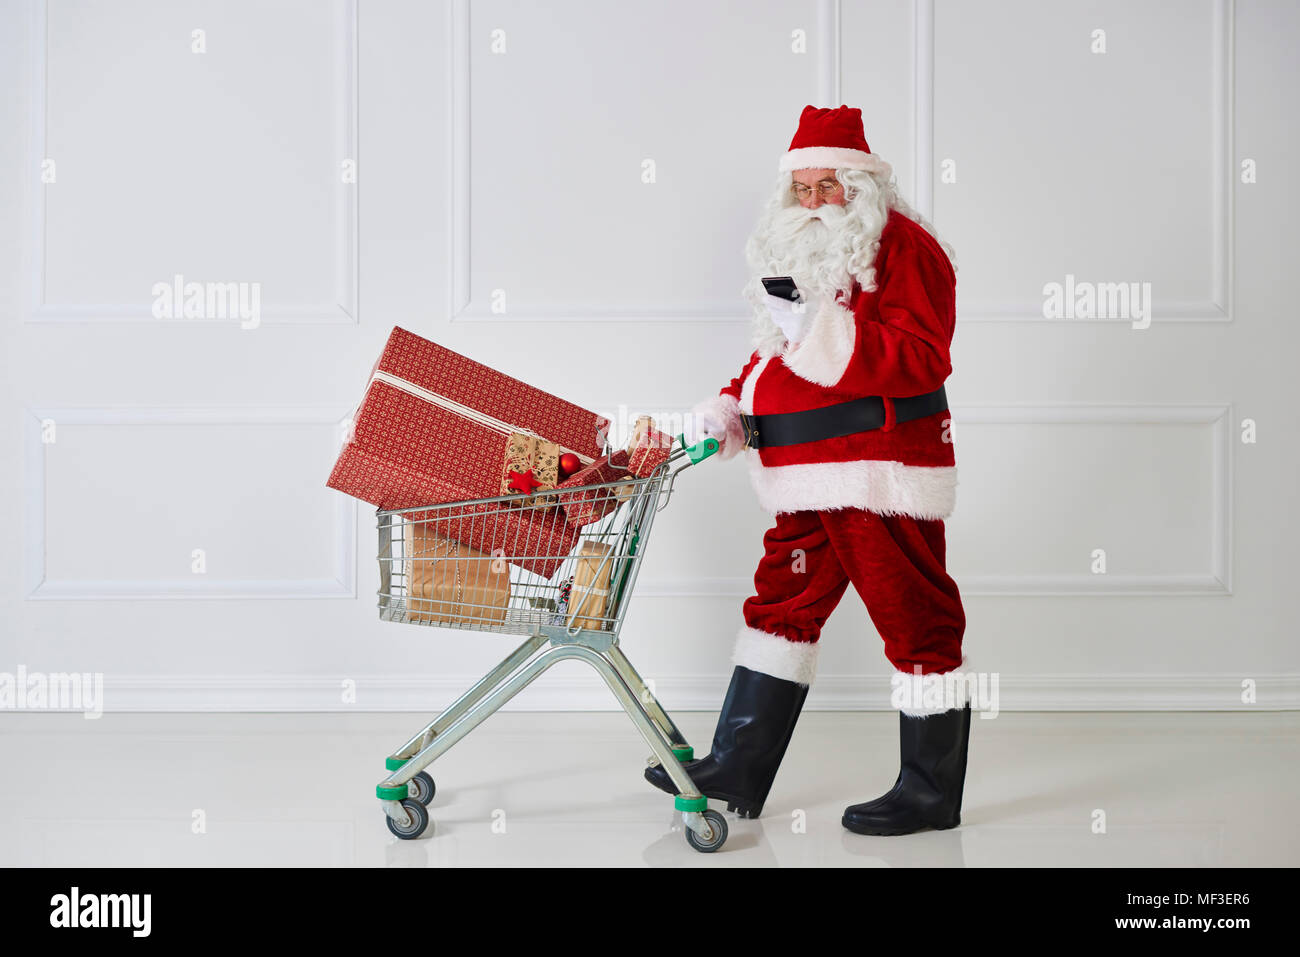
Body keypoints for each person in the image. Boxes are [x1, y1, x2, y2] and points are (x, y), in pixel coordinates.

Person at [645, 105, 973, 836]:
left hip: (876, 475)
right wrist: (733, 404)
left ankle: (930, 791)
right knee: (781, 610)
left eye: (832, 185)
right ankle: (736, 764)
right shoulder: (799, 250)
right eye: (805, 188)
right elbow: (777, 355)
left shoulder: (907, 248)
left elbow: (923, 358)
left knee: (915, 618)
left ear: (864, 185)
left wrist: (823, 331)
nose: (818, 201)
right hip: (804, 476)